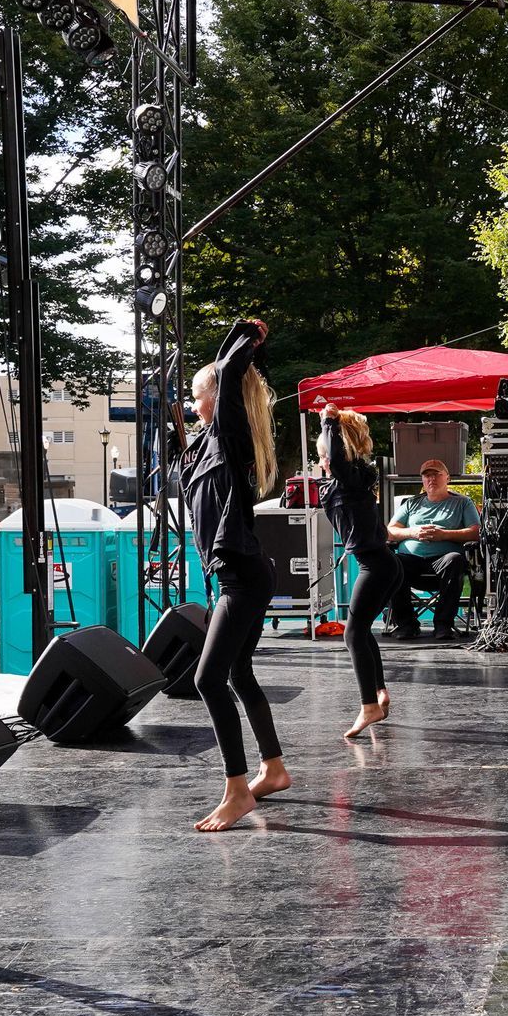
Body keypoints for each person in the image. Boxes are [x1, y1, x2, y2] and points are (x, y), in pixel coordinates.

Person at [182, 319, 290, 831]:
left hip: (243, 578)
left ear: (217, 398)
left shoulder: (230, 435)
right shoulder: (206, 445)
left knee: (208, 679)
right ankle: (273, 769)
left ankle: (236, 789)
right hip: (244, 573)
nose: (193, 403)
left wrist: (244, 333)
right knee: (238, 673)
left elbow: (228, 371)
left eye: (197, 396)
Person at [319, 402, 401, 740]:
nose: (322, 457)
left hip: (377, 565)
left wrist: (329, 420)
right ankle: (379, 692)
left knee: (353, 634)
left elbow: (338, 460)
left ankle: (368, 705)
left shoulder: (350, 477)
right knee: (362, 630)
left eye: (324, 450)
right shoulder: (351, 480)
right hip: (382, 563)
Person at [384, 458, 479, 641]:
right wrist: (413, 532)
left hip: (444, 561)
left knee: (455, 559)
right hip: (412, 561)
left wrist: (444, 535)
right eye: (427, 475)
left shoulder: (463, 503)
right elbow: (390, 531)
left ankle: (443, 624)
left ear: (448, 478)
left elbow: (476, 533)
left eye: (436, 474)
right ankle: (406, 625)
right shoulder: (411, 504)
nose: (431, 479)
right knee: (392, 562)